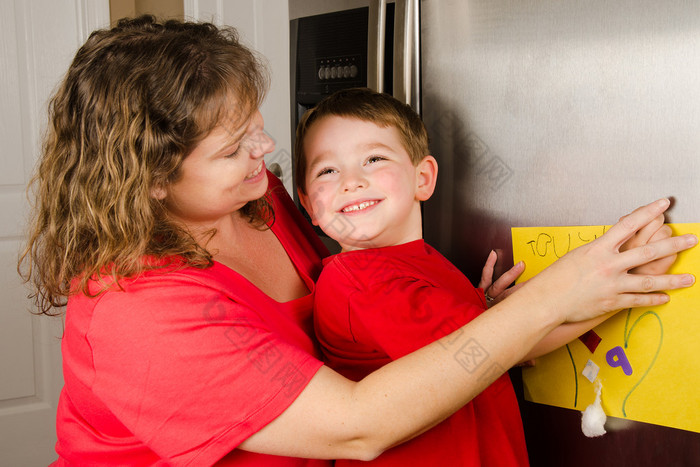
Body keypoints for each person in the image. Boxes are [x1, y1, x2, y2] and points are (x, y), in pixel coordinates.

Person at [18, 16, 695, 466]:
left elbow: (370, 325)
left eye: (257, 127)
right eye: (235, 148)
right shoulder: (137, 312)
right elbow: (357, 423)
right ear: (155, 178)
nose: (266, 153)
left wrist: (462, 310)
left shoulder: (255, 200)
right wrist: (555, 295)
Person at [294, 87, 693, 466]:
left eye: (374, 159)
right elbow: (497, 351)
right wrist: (621, 280)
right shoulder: (360, 281)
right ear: (309, 205)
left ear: (423, 178)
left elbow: (489, 335)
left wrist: (480, 309)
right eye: (327, 170)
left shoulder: (418, 260)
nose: (351, 181)